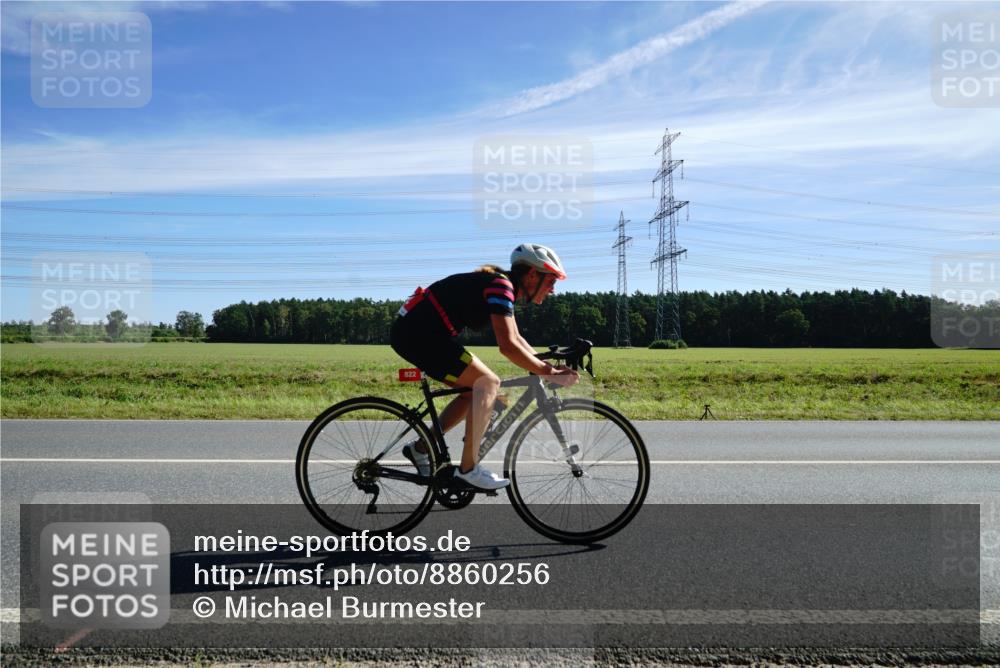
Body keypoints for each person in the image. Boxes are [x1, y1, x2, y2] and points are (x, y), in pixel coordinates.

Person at [389, 243, 580, 490]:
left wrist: (547, 366)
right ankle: (468, 470)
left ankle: (420, 449)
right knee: (488, 383)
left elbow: (518, 340)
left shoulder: (502, 287)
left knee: (474, 391)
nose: (553, 289)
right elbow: (508, 346)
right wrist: (550, 373)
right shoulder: (501, 286)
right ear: (532, 275)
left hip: (424, 334)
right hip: (418, 335)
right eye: (551, 281)